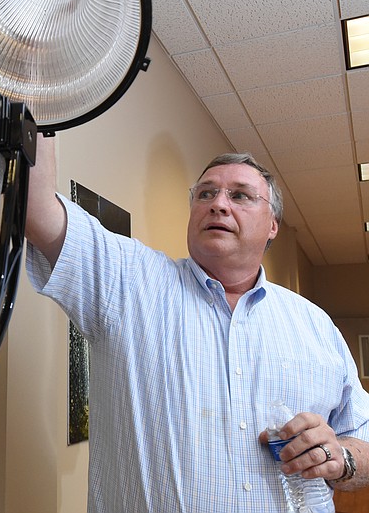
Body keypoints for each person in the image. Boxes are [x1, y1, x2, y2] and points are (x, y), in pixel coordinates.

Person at [25, 134, 369, 512]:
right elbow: (38, 210)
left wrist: (343, 458)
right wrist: (40, 87)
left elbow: (363, 442)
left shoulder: (315, 325)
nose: (218, 204)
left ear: (272, 224)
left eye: (240, 195)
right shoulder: (128, 282)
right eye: (205, 194)